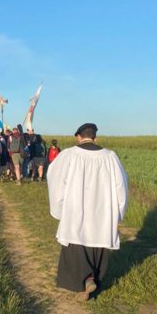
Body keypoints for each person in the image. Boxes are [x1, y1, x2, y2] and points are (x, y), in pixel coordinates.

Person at [47, 123, 128, 300]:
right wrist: (118, 212)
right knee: (98, 242)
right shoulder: (110, 157)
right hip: (102, 210)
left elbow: (55, 179)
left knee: (76, 243)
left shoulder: (68, 155)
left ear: (78, 137)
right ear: (95, 138)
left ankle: (84, 281)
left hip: (75, 208)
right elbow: (121, 185)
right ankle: (92, 278)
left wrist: (59, 207)